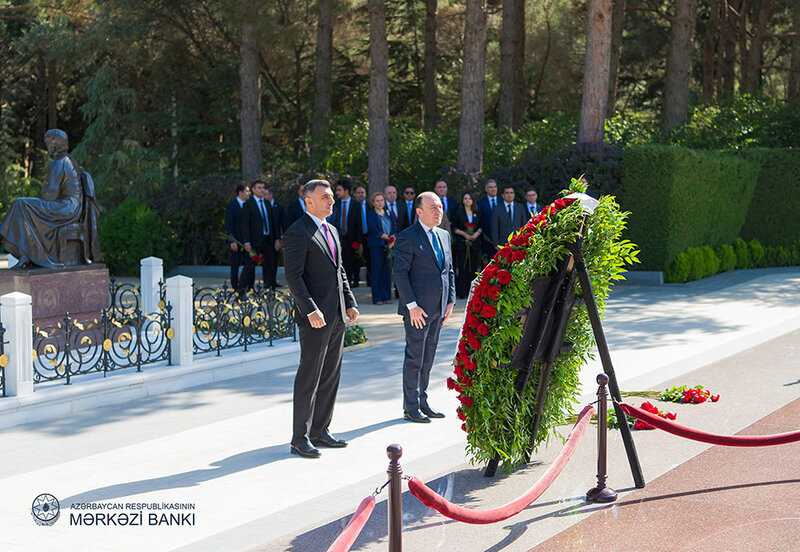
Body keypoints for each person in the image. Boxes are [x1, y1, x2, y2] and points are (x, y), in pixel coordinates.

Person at [283, 179, 359, 459]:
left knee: (330, 375)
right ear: (308, 201)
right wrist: (310, 309)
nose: (332, 201)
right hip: (314, 317)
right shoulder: (297, 232)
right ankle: (299, 438)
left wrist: (349, 303)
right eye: (325, 197)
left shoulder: (333, 231)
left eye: (331, 197)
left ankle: (320, 430)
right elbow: (293, 276)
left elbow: (340, 272)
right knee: (309, 376)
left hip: (336, 314)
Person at [392, 191, 455, 423]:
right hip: (417, 310)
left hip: (439, 308)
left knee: (428, 358)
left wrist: (450, 300)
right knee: (415, 357)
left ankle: (423, 401)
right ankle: (410, 407)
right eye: (432, 208)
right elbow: (400, 273)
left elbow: (448, 270)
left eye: (439, 207)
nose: (438, 211)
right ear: (419, 212)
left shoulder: (444, 235)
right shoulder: (407, 237)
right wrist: (411, 306)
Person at [0, 129, 88, 268]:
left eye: (48, 143)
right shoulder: (68, 160)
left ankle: (27, 254)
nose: (47, 147)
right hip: (70, 207)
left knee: (21, 204)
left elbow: (50, 194)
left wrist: (38, 199)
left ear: (55, 145)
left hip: (66, 207)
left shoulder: (59, 162)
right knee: (23, 206)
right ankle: (26, 255)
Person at [240, 180, 281, 291]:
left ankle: (269, 289)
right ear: (253, 190)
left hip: (268, 240)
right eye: (259, 188)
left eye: (263, 187)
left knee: (270, 265)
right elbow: (244, 225)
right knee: (249, 267)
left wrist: (277, 238)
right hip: (254, 241)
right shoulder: (248, 205)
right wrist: (246, 242)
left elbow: (273, 223)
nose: (262, 190)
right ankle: (241, 290)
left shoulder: (267, 204)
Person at [329, 178, 361, 288]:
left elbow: (359, 224)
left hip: (352, 237)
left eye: (339, 190)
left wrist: (359, 241)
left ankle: (355, 280)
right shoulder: (335, 204)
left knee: (353, 260)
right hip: (338, 237)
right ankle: (343, 282)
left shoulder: (356, 205)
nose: (337, 192)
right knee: (342, 261)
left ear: (346, 191)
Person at [366, 191, 396, 304]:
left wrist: (393, 237)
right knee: (377, 271)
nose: (379, 203)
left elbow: (393, 225)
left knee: (386, 271)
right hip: (376, 245)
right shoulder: (371, 214)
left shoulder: (388, 212)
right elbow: (373, 229)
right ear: (373, 203)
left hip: (388, 245)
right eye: (377, 201)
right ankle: (377, 297)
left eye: (381, 200)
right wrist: (385, 237)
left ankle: (386, 296)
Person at [452, 192, 483, 299]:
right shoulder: (458, 212)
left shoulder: (477, 212)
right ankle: (462, 292)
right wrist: (465, 234)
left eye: (469, 198)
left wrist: (475, 234)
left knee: (473, 267)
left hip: (474, 244)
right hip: (462, 244)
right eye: (465, 198)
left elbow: (481, 226)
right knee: (462, 267)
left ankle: (473, 292)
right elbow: (454, 228)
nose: (467, 200)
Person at [224, 183, 250, 290]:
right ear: (240, 193)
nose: (249, 193)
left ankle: (247, 285)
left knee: (249, 264)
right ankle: (235, 286)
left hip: (247, 241)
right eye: (247, 191)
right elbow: (229, 224)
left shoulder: (249, 205)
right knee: (235, 264)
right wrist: (232, 241)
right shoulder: (231, 206)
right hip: (236, 240)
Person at [491, 184, 526, 249]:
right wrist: (496, 244)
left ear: (514, 195)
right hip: (503, 244)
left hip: (518, 243)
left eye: (511, 193)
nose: (509, 195)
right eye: (507, 193)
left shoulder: (520, 207)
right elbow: (494, 228)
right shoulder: (497, 209)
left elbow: (524, 225)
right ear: (503, 195)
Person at [477, 179, 500, 262]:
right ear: (486, 189)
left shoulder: (502, 202)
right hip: (486, 239)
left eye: (494, 187)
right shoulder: (480, 203)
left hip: (501, 238)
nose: (493, 189)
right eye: (490, 187)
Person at [354, 185, 370, 286]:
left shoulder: (369, 206)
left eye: (362, 192)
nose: (361, 194)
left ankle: (370, 280)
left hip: (368, 236)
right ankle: (355, 280)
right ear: (355, 194)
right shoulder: (354, 206)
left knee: (369, 259)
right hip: (356, 236)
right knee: (356, 259)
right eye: (359, 193)